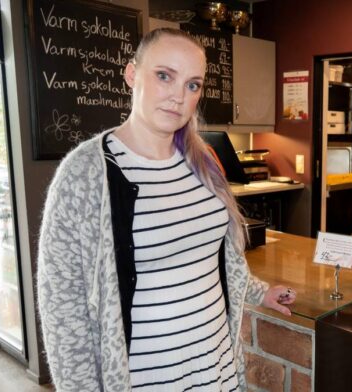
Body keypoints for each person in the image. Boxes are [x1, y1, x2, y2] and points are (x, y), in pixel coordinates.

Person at [37, 28, 296, 392]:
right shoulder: (84, 175)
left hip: (215, 367)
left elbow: (214, 257)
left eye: (193, 85)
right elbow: (63, 310)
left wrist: (258, 292)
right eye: (164, 76)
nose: (178, 96)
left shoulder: (202, 160)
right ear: (131, 75)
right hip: (148, 380)